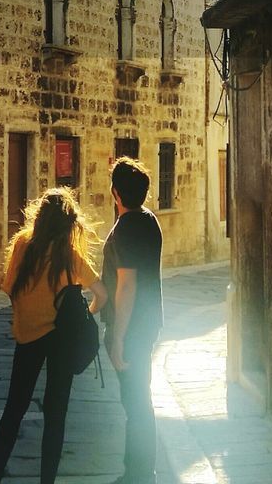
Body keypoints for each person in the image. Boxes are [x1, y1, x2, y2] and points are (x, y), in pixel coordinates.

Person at [0, 187, 107, 484]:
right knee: (56, 414)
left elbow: (10, 289)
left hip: (28, 336)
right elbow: (102, 294)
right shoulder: (70, 255)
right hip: (62, 339)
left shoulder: (22, 246)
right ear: (69, 223)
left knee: (14, 408)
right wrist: (85, 314)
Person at [101, 157, 164, 484]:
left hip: (133, 326)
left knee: (136, 400)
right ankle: (138, 470)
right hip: (149, 321)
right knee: (139, 398)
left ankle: (139, 474)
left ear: (115, 193)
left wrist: (118, 336)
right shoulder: (150, 220)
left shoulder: (126, 227)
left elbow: (127, 283)